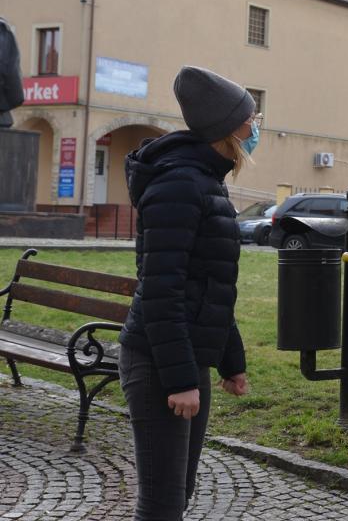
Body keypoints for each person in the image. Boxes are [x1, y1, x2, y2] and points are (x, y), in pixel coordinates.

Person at [119, 66, 257, 520]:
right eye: (249, 118)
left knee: (177, 494)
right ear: (226, 128)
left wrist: (230, 361)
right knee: (161, 504)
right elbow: (162, 289)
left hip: (185, 358)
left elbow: (212, 284)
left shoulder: (205, 180)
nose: (254, 128)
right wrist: (180, 380)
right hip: (160, 363)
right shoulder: (180, 183)